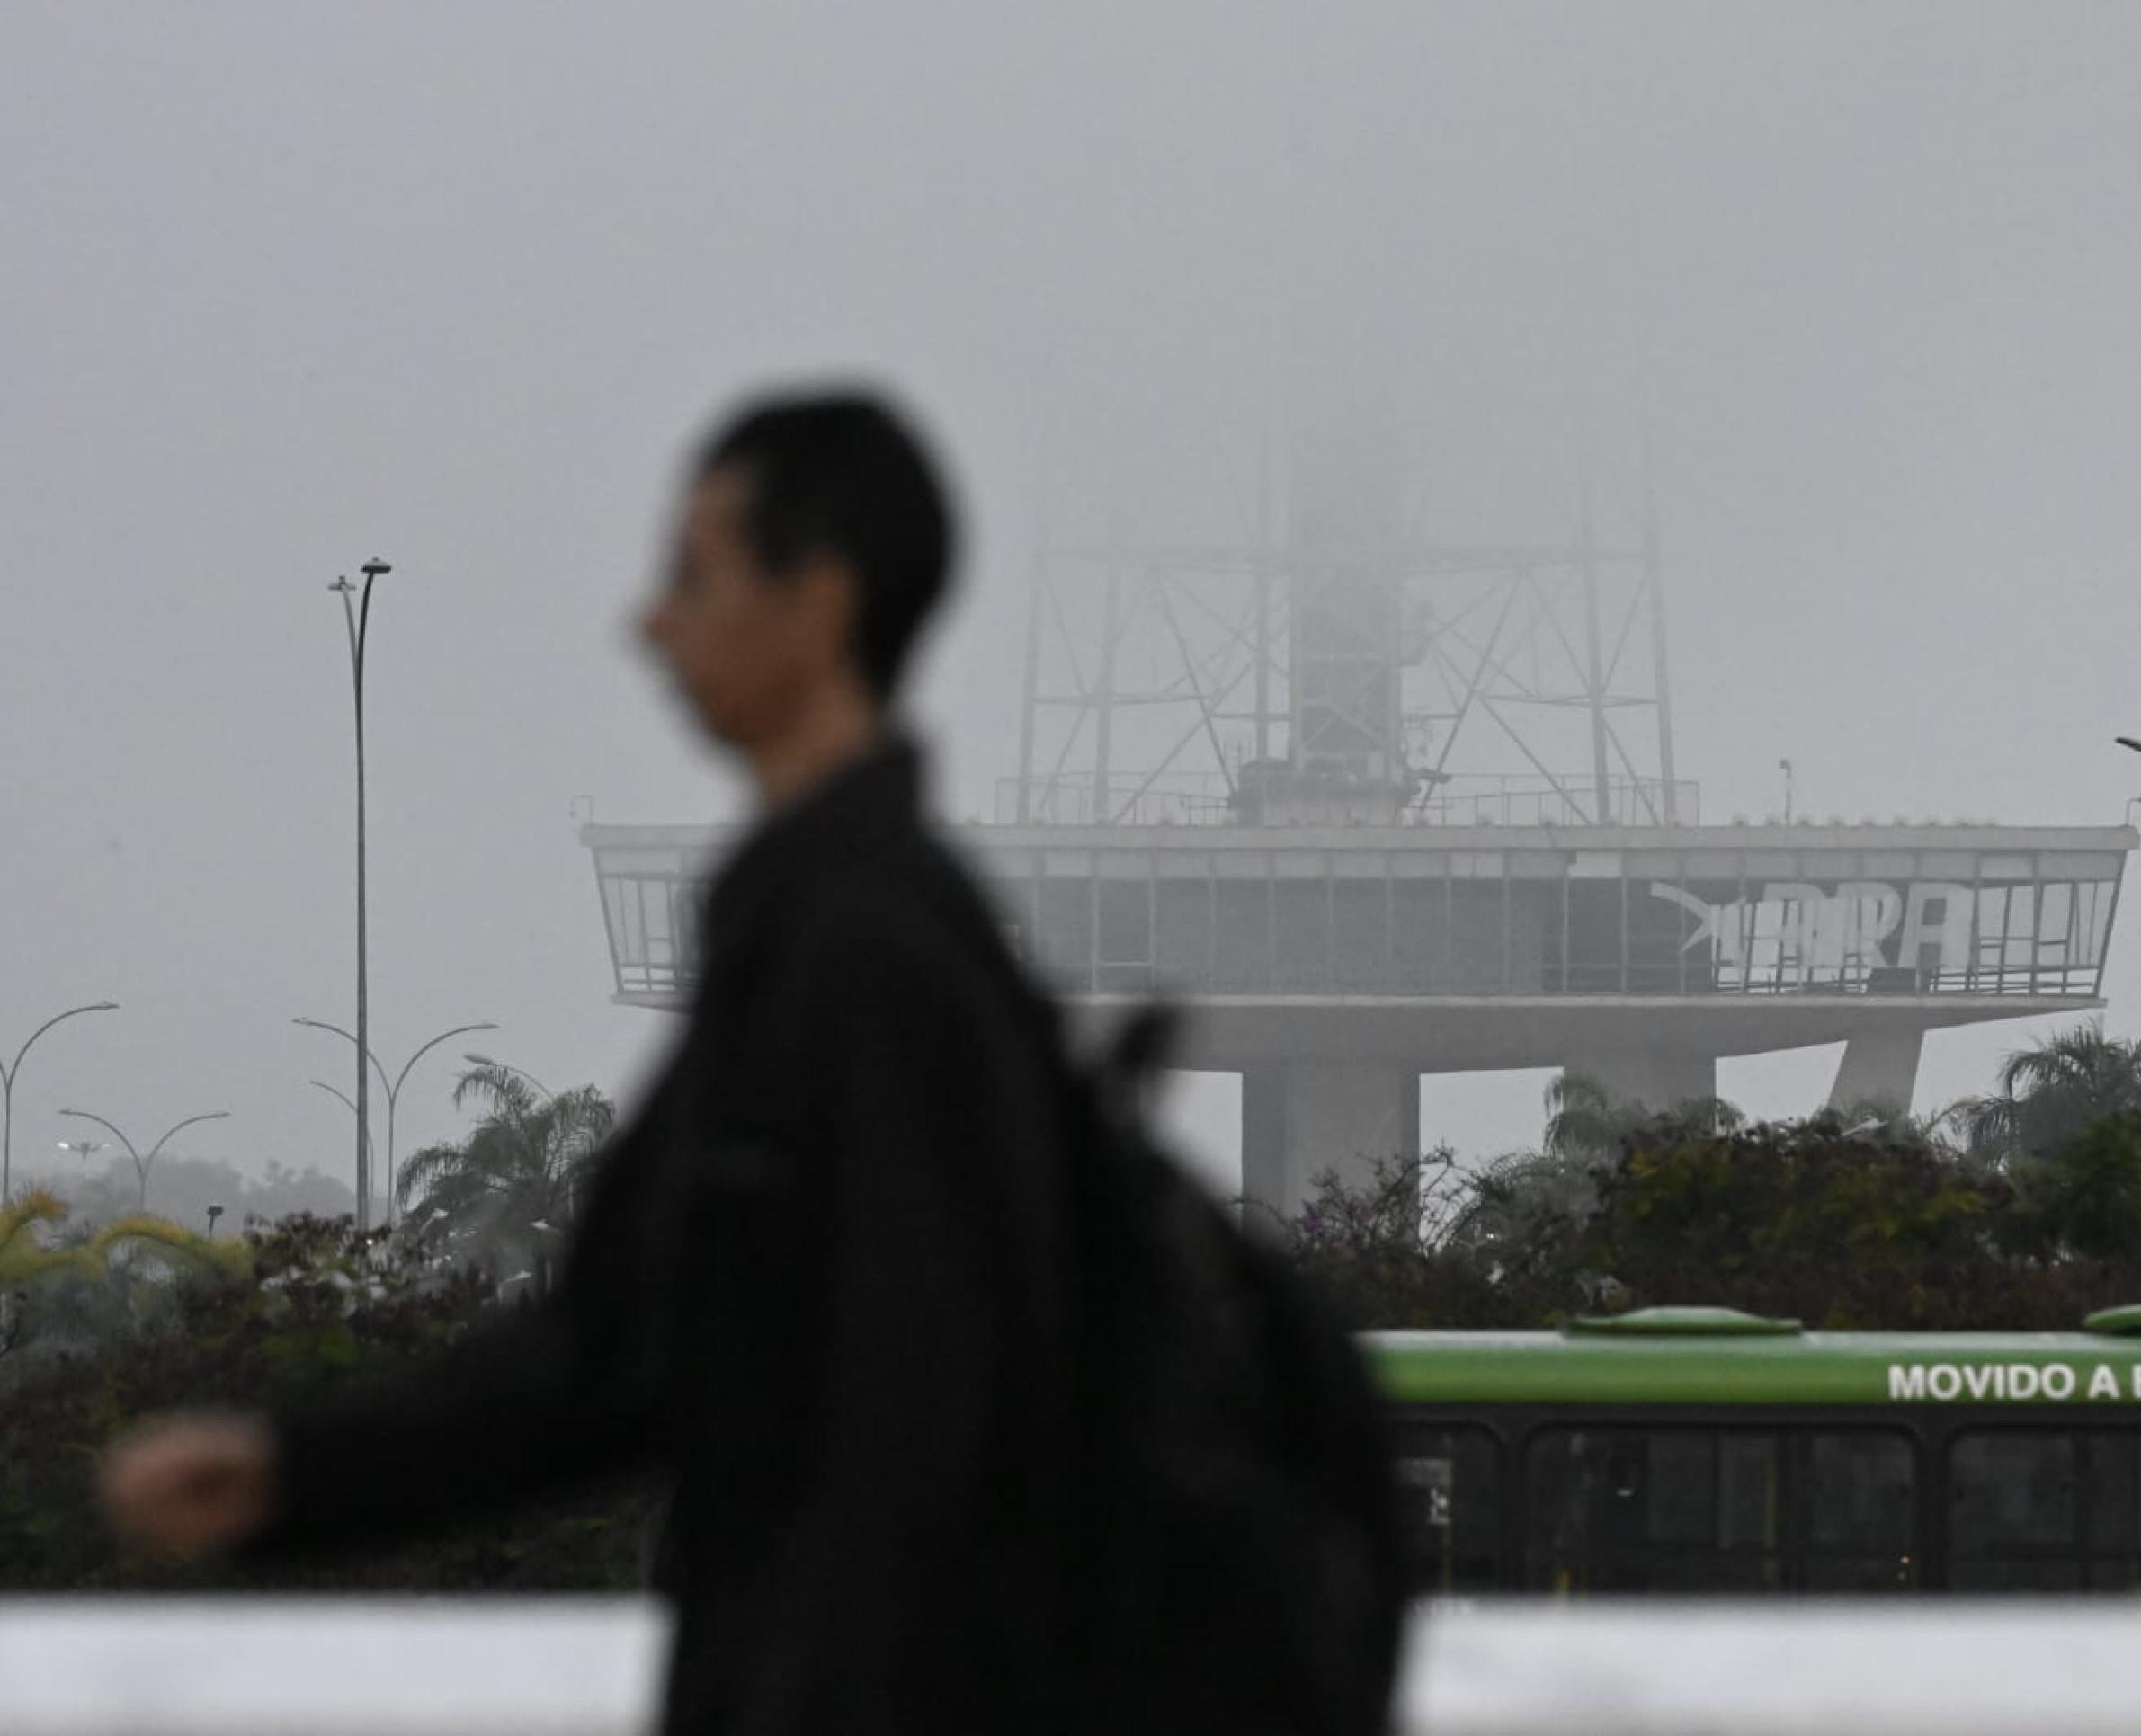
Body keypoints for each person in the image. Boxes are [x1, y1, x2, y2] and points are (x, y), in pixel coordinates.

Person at [99, 389, 1401, 1733]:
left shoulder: (871, 959)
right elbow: (615, 1350)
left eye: (695, 573)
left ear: (818, 600)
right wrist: (289, 1476)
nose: (652, 624)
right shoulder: (818, 931)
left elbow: (919, 1435)